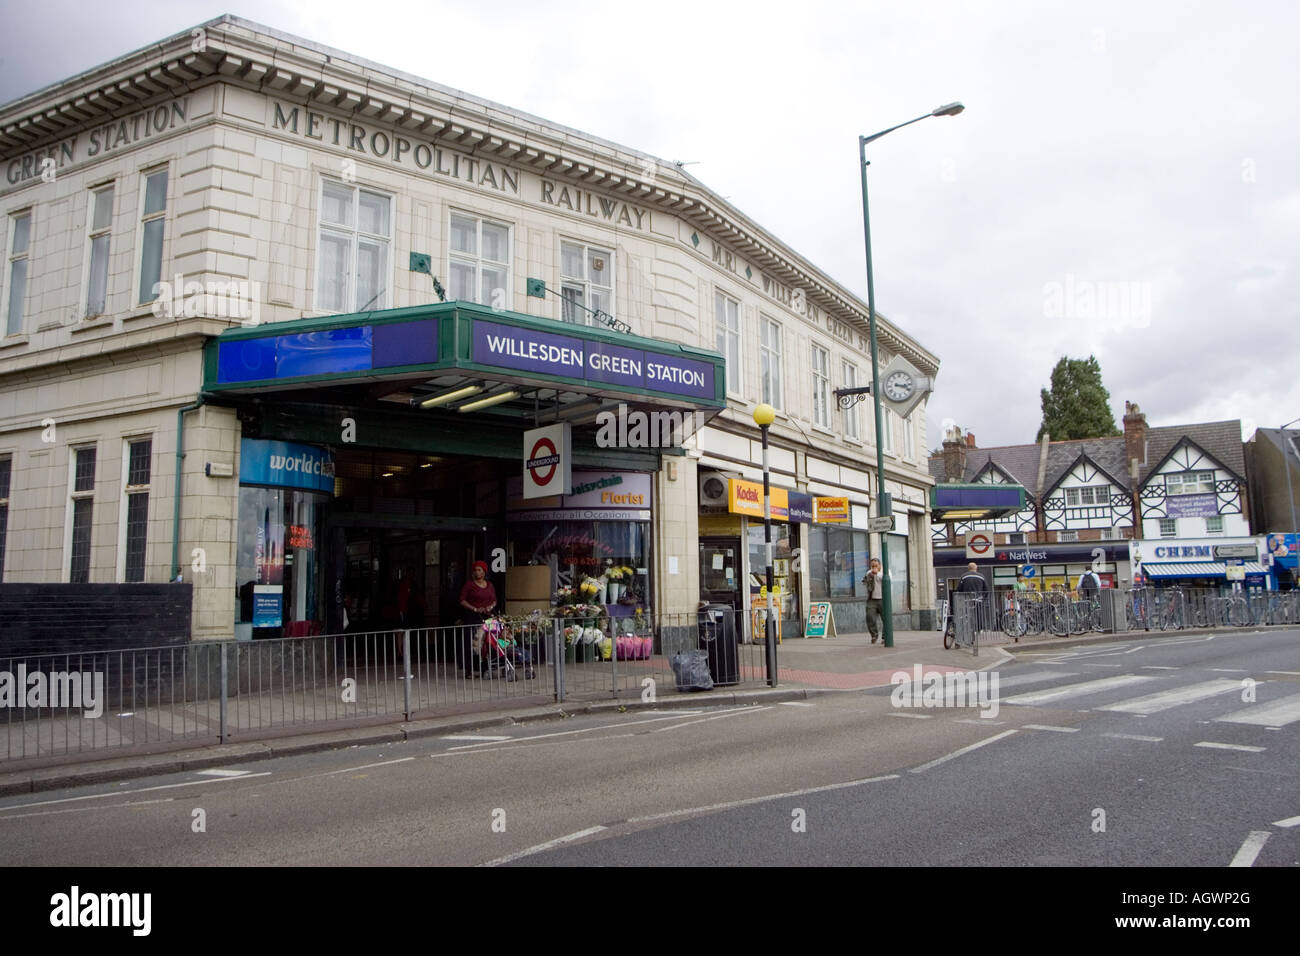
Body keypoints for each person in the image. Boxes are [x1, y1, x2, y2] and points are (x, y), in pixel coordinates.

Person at [459, 560, 497, 677]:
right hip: (473, 618)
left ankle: (485, 668)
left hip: (487, 617)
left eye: (479, 570)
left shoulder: (489, 585)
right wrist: (475, 609)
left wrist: (489, 607)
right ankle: (469, 670)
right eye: (475, 570)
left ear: (484, 572)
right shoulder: (469, 585)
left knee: (487, 643)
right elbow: (462, 600)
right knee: (472, 644)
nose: (477, 572)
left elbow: (494, 600)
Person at [861, 558, 885, 644]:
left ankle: (885, 637)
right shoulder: (869, 573)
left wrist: (876, 574)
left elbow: (884, 580)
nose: (874, 567)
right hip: (872, 599)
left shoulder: (884, 573)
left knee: (886, 619)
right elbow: (864, 582)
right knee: (870, 617)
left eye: (876, 565)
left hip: (883, 599)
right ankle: (874, 635)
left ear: (879, 566)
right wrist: (870, 576)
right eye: (872, 566)